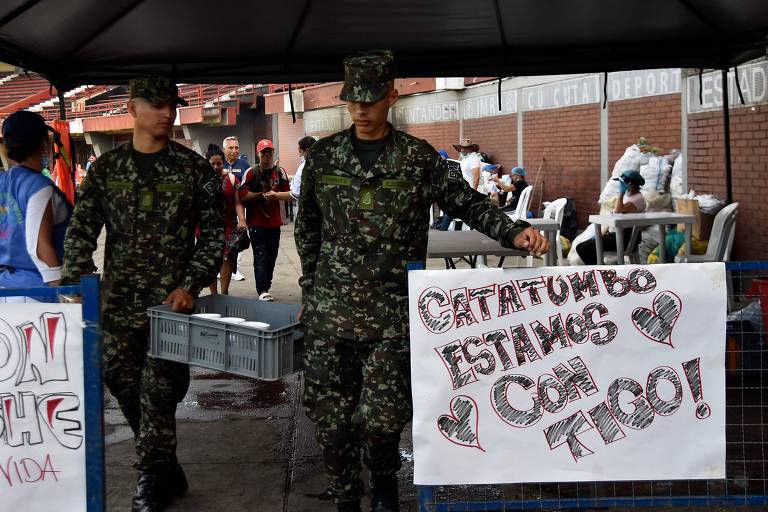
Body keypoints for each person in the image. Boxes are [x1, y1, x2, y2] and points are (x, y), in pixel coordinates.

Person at [295, 50, 548, 512]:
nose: (361, 109)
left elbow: (467, 203)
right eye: (353, 99)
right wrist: (310, 289)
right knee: (332, 420)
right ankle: (346, 498)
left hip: (391, 314)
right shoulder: (325, 156)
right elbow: (307, 227)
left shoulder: (416, 158)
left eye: (371, 99)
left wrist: (513, 230)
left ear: (392, 95)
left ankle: (386, 489)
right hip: (331, 314)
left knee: (383, 418)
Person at [61, 76, 224, 512]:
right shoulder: (107, 170)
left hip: (170, 307)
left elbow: (214, 235)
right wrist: (80, 281)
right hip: (117, 305)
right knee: (122, 384)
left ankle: (151, 477)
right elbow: (81, 229)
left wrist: (189, 284)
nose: (165, 112)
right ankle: (166, 465)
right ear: (133, 108)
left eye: (170, 104)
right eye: (154, 104)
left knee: (158, 390)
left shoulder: (193, 169)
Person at [0, 111, 72, 303]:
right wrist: (66, 296)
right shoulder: (39, 186)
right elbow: (39, 248)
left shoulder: (2, 181)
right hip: (37, 294)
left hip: (5, 289)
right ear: (43, 143)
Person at [239, 139, 290, 301]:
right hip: (256, 222)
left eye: (269, 152)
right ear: (258, 154)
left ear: (272, 153)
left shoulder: (280, 172)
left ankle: (266, 284)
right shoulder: (251, 172)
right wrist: (260, 195)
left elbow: (289, 194)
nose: (267, 155)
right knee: (260, 254)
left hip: (274, 222)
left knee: (272, 256)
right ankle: (262, 290)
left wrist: (275, 196)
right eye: (263, 152)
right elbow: (242, 196)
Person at [576, 170, 647, 265]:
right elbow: (614, 215)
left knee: (586, 249)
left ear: (629, 184)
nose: (620, 186)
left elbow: (618, 210)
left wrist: (621, 193)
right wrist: (602, 233)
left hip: (626, 238)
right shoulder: (629, 197)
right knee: (581, 247)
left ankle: (603, 273)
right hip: (615, 235)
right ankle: (602, 271)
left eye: (622, 184)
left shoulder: (638, 199)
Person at [205, 144, 246, 296]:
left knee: (227, 258)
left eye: (219, 163)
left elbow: (237, 202)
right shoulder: (201, 179)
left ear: (224, 162)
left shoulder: (231, 178)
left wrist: (242, 220)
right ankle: (213, 294)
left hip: (228, 224)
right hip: (206, 226)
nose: (216, 166)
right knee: (210, 260)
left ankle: (224, 293)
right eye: (212, 164)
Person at [222, 136, 249, 282]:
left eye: (236, 147)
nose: (234, 150)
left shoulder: (245, 165)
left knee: (237, 240)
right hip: (223, 212)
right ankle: (221, 269)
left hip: (240, 208)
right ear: (224, 149)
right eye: (230, 148)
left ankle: (235, 269)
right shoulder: (218, 163)